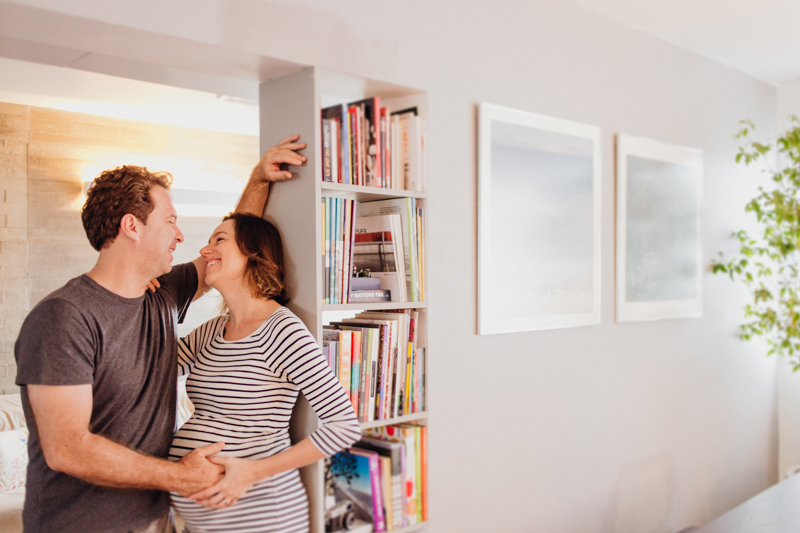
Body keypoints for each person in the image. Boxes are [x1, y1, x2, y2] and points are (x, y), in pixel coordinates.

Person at [13, 135, 307, 533]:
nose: (182, 236)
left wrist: (259, 179)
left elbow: (229, 253)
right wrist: (180, 477)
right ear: (132, 226)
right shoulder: (64, 317)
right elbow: (68, 449)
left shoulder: (162, 295)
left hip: (156, 519)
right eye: (170, 221)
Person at [168, 213, 361, 533]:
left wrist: (251, 472)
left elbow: (344, 427)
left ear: (252, 252)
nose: (205, 250)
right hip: (203, 523)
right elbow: (150, 367)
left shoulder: (282, 330)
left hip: (262, 516)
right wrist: (139, 290)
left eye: (219, 240)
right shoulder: (213, 331)